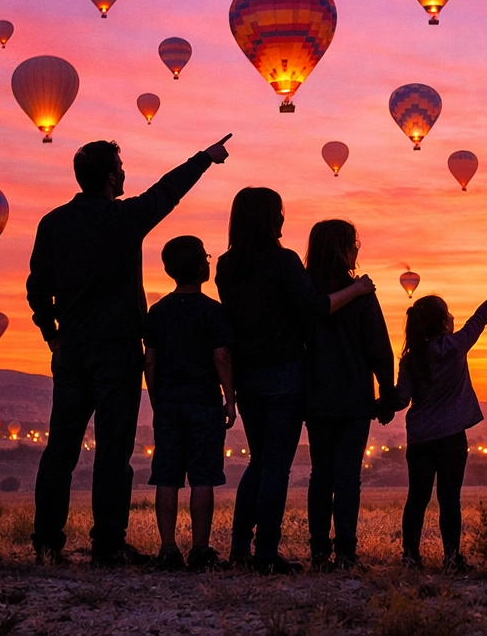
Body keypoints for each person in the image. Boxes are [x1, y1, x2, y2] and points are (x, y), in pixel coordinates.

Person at [26, 136, 229, 566]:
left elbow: (36, 288)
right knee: (113, 449)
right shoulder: (123, 218)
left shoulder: (53, 223)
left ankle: (46, 541)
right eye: (120, 166)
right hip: (116, 350)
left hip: (72, 348)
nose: (124, 173)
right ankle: (108, 543)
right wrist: (204, 157)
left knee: (60, 448)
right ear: (111, 175)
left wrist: (52, 333)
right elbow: (167, 192)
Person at [214, 188, 373, 574]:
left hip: (247, 375)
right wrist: (357, 289)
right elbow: (315, 308)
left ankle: (240, 547)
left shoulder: (226, 265)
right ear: (270, 219)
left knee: (258, 462)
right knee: (276, 467)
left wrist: (230, 389)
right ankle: (266, 552)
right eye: (279, 214)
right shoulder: (283, 262)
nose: (284, 221)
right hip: (285, 372)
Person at [388, 272, 487, 571]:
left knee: (416, 498)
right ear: (444, 321)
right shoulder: (455, 347)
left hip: (420, 438)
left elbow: (402, 399)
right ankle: (451, 557)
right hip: (451, 438)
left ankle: (410, 557)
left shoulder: (409, 359)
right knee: (449, 498)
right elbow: (479, 319)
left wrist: (379, 405)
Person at [303, 220, 394, 570]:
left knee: (320, 475)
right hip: (354, 396)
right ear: (343, 249)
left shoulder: (306, 292)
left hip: (316, 396)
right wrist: (386, 392)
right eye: (354, 243)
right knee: (346, 476)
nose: (358, 249)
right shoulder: (360, 294)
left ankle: (317, 552)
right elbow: (379, 348)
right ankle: (345, 552)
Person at [144, 236, 234, 572]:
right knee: (203, 477)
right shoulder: (214, 311)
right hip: (204, 403)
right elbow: (222, 356)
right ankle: (200, 550)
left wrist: (156, 400)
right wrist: (230, 399)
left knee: (166, 477)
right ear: (201, 267)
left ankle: (168, 549)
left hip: (168, 402)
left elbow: (149, 361)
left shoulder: (158, 311)